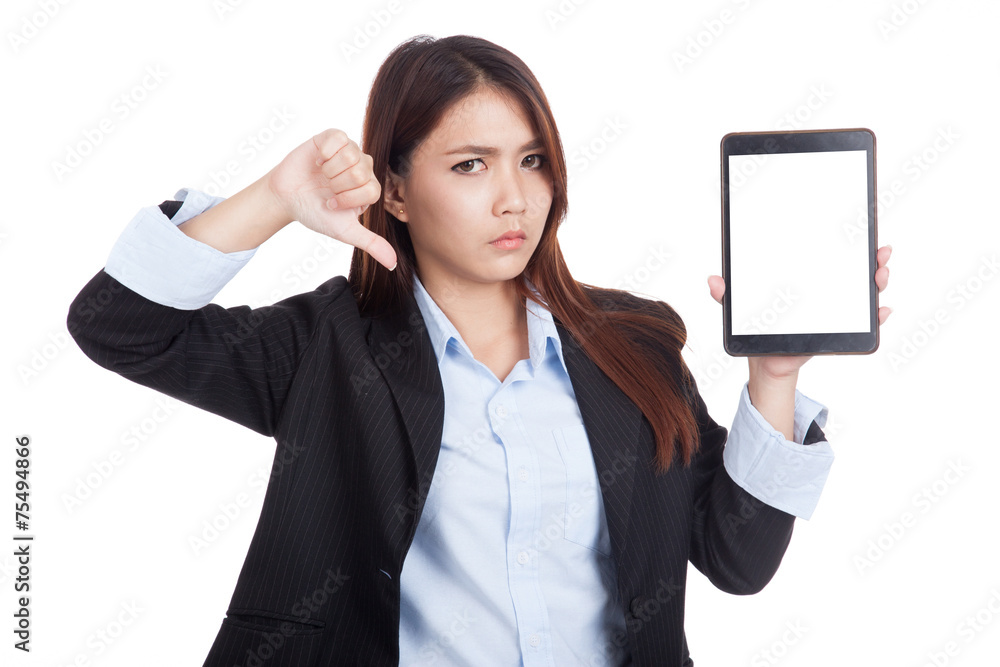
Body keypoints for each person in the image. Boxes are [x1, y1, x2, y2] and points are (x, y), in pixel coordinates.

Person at [67, 33, 891, 667]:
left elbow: (737, 558)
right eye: (470, 165)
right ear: (394, 189)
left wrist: (774, 374)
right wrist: (277, 197)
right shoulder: (327, 345)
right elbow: (118, 324)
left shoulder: (632, 342)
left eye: (533, 162)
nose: (514, 198)